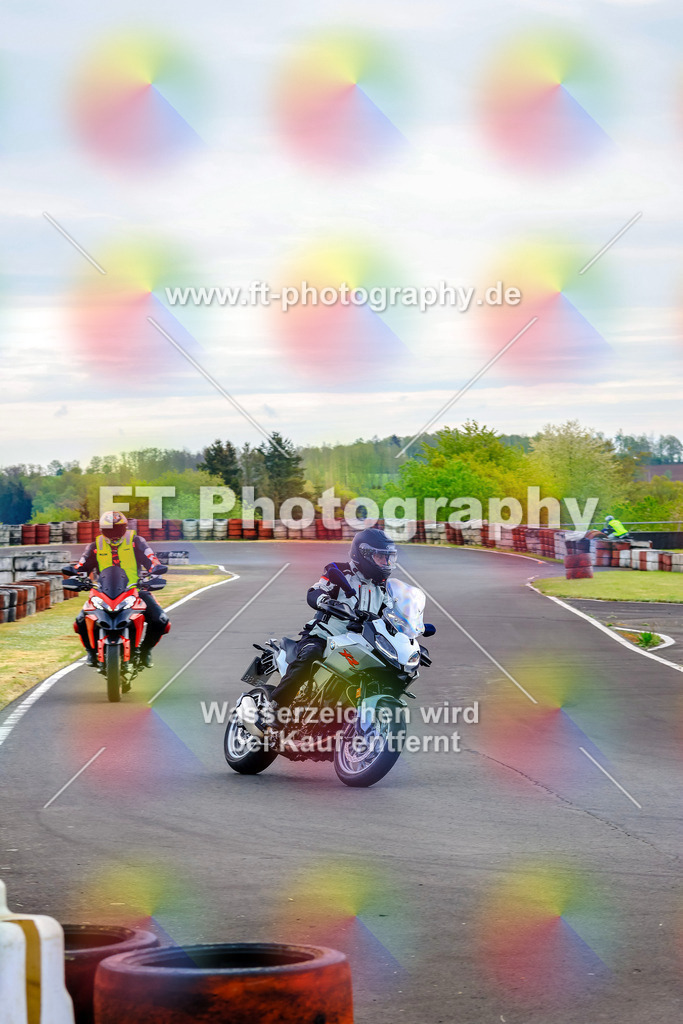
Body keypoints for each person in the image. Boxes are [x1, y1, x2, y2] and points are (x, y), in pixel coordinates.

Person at [238, 527, 399, 737]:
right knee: (311, 655)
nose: (385, 563)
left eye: (388, 558)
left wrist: (409, 627)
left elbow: (391, 614)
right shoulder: (339, 571)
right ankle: (274, 709)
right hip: (323, 636)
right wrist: (324, 601)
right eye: (380, 557)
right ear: (364, 554)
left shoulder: (384, 587)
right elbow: (315, 591)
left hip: (359, 643)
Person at [70, 511, 170, 668]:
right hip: (103, 592)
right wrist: (75, 575)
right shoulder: (95, 546)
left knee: (161, 620)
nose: (113, 534)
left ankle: (145, 651)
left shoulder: (136, 541)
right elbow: (81, 565)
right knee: (80, 621)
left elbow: (151, 559)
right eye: (109, 530)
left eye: (117, 529)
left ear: (124, 528)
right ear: (102, 530)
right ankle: (91, 651)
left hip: (135, 589)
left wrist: (155, 570)